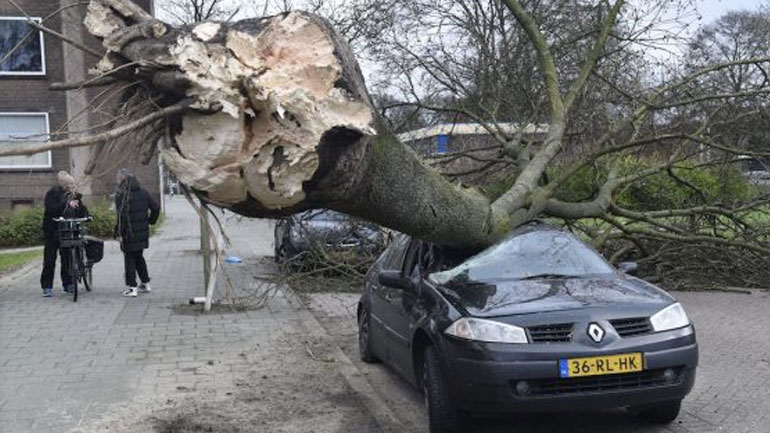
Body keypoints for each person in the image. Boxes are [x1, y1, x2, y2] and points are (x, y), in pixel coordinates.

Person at [41, 171, 89, 297]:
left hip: (68, 230)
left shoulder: (75, 196)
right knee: (50, 260)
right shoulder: (52, 194)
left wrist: (87, 215)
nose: (73, 185)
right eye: (71, 183)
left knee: (67, 259)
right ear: (65, 184)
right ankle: (47, 286)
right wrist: (66, 203)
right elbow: (51, 209)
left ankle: (68, 284)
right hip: (53, 231)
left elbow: (81, 209)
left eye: (74, 183)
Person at [114, 168, 160, 297]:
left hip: (128, 233)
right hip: (142, 233)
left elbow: (120, 217)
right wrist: (151, 221)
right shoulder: (143, 192)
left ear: (122, 179)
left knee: (129, 259)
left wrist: (118, 233)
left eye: (118, 179)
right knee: (139, 257)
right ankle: (145, 283)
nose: (117, 181)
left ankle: (132, 287)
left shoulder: (121, 195)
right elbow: (156, 207)